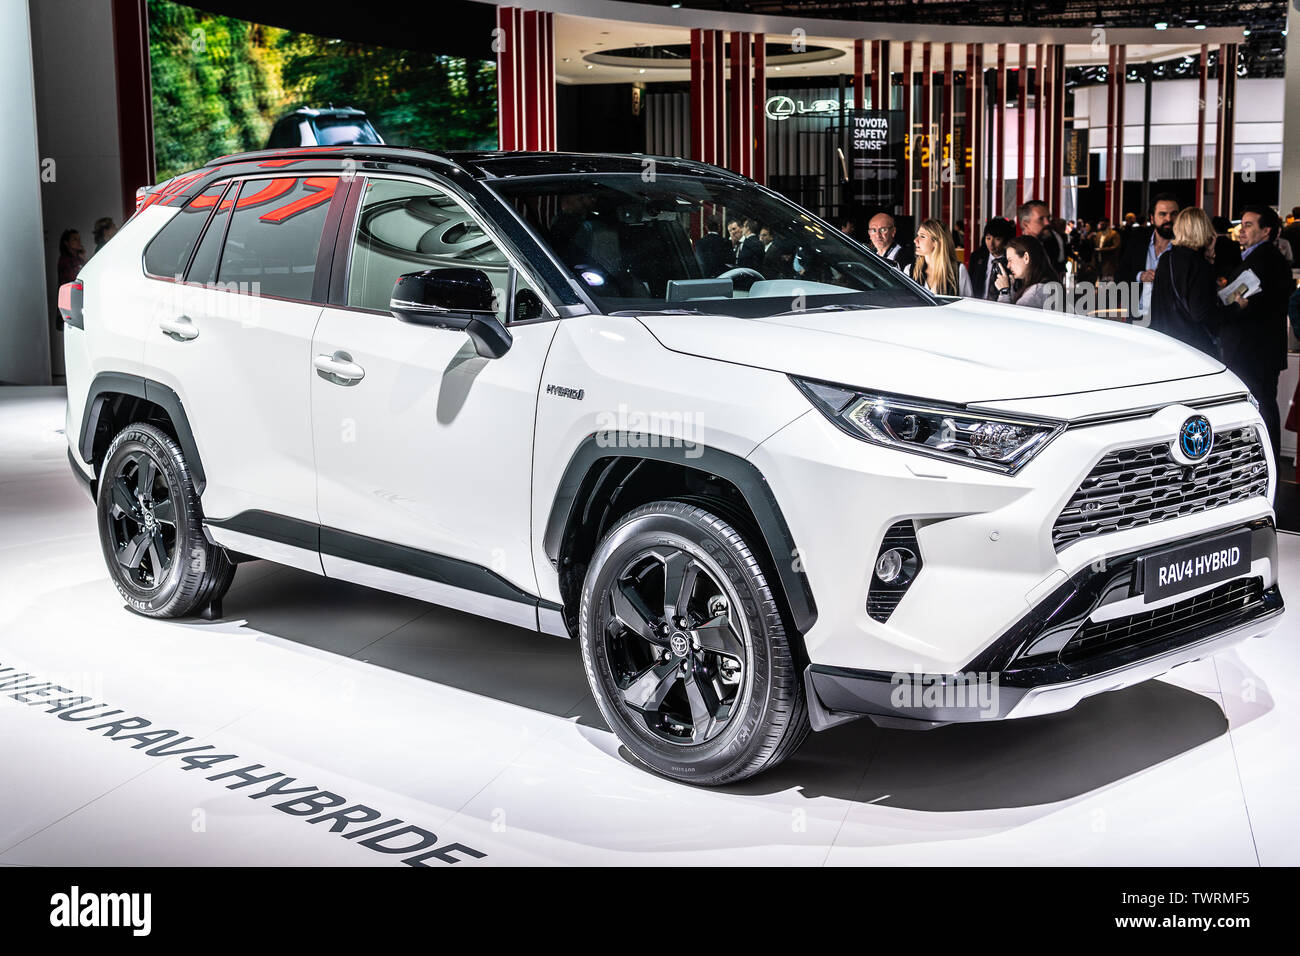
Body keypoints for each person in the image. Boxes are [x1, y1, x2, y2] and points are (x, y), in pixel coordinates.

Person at [1219, 205, 1295, 460]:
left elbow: (1240, 302)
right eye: (1242, 223)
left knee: (1259, 404)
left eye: (1249, 225)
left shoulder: (1262, 261)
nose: (1242, 230)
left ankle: (1263, 458)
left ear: (1266, 231)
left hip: (1252, 349)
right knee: (1264, 402)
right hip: (1262, 348)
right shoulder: (1269, 258)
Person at [1149, 208, 1234, 359]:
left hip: (1165, 342)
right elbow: (1202, 314)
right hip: (1194, 348)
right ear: (1204, 230)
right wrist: (1236, 306)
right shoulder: (1200, 265)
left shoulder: (1166, 258)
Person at [1117, 192, 1180, 320]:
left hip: (1170, 320)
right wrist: (1140, 276)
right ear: (1152, 218)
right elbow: (1120, 275)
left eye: (1173, 214)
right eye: (1162, 214)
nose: (1168, 219)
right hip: (1138, 316)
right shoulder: (1137, 241)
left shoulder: (1184, 247)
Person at [993, 234, 1059, 309]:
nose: (1008, 266)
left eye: (1010, 260)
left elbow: (1009, 319)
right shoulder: (1042, 286)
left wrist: (1004, 292)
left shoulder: (1036, 292)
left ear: (1026, 257)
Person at [910, 219, 972, 297]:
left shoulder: (958, 270)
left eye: (922, 236)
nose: (915, 240)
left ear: (937, 242)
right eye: (917, 235)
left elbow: (968, 305)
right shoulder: (909, 270)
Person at [966, 216, 1015, 300]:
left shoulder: (1012, 261)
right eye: (988, 238)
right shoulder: (977, 257)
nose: (991, 244)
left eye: (997, 239)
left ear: (1006, 240)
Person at [1017, 200, 1066, 275]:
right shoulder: (1016, 251)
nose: (1047, 223)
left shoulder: (1051, 244)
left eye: (1048, 218)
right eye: (1041, 219)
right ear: (1025, 224)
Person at [1210, 215, 1242, 282]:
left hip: (1214, 279)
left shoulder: (1210, 245)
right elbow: (1238, 265)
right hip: (1230, 279)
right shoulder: (1235, 245)